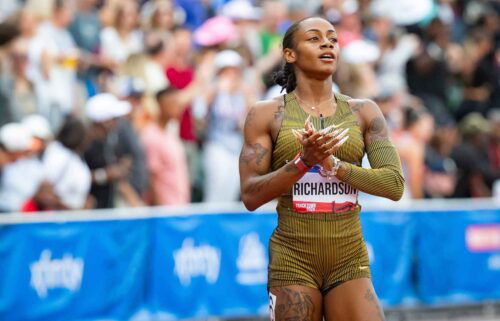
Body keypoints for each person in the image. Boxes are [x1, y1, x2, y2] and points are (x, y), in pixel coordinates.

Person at [239, 17, 404, 321]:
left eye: (332, 38)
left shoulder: (364, 111)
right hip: (293, 259)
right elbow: (250, 196)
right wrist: (303, 162)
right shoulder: (266, 115)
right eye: (314, 39)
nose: (327, 43)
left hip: (349, 258)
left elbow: (394, 185)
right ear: (290, 54)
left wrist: (336, 166)